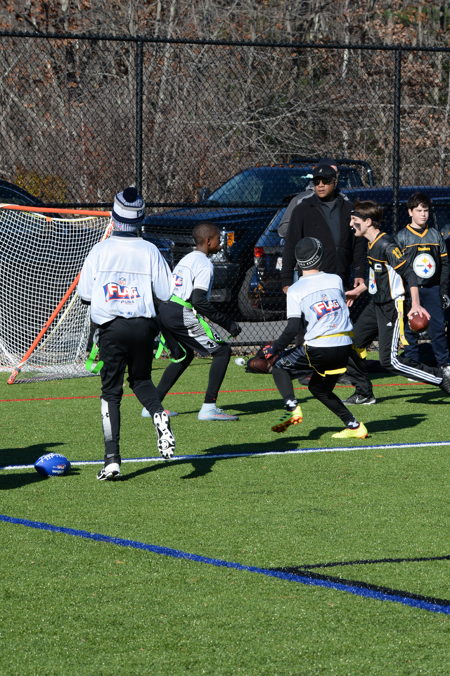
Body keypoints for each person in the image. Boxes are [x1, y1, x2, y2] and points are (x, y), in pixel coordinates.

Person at [77, 187, 176, 481]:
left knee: (111, 393)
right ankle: (158, 414)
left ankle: (112, 459)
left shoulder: (100, 250)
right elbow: (166, 293)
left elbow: (85, 295)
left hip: (112, 327)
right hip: (144, 326)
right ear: (141, 219)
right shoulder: (150, 250)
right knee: (141, 380)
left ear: (113, 217)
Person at [343, 200, 450, 404]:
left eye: (354, 220)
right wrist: (359, 290)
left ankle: (439, 377)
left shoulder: (387, 245)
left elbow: (409, 274)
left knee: (389, 361)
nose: (350, 224)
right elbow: (380, 276)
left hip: (392, 306)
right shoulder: (370, 243)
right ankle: (364, 393)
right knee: (350, 345)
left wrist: (416, 304)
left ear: (368, 221)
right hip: (376, 304)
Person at [262, 237, 368, 439]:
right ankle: (354, 426)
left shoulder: (295, 289)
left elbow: (292, 328)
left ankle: (292, 408)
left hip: (320, 346)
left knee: (279, 367)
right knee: (319, 389)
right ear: (320, 257)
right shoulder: (335, 279)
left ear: (297, 262)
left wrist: (274, 349)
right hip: (345, 346)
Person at [142, 222, 242, 421]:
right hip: (180, 312)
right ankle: (209, 408)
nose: (221, 243)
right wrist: (228, 324)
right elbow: (199, 301)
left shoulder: (186, 259)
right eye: (218, 239)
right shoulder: (204, 263)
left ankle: (152, 407)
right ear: (209, 241)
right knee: (222, 351)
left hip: (165, 310)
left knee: (182, 356)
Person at [281, 163, 366, 294]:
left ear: (335, 182)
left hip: (340, 279)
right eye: (316, 181)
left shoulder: (348, 209)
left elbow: (358, 244)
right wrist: (286, 280)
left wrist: (359, 272)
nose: (320, 185)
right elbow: (291, 244)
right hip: (311, 281)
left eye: (325, 181)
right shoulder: (302, 210)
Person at [395, 192, 449, 367]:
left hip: (432, 288)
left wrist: (442, 289)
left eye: (425, 210)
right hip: (411, 290)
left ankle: (444, 364)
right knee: (411, 328)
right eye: (419, 210)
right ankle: (412, 364)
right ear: (410, 212)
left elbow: (445, 263)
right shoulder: (402, 237)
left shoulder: (435, 235)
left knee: (438, 328)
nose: (423, 214)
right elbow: (396, 268)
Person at [277, 158, 339, 239]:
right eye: (329, 171)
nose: (334, 175)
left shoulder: (344, 200)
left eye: (336, 173)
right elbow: (282, 230)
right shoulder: (300, 200)